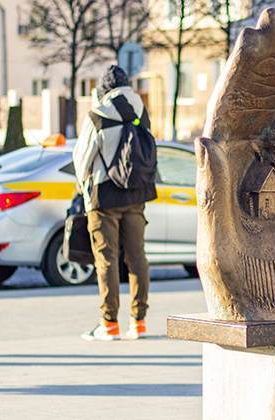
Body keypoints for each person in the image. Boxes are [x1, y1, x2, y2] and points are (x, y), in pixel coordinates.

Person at [73, 65, 156, 341]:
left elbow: (82, 159)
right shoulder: (140, 110)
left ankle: (109, 324)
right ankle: (139, 322)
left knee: (106, 259)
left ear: (104, 89)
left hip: (104, 194)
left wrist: (82, 188)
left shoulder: (98, 114)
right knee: (137, 257)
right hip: (136, 194)